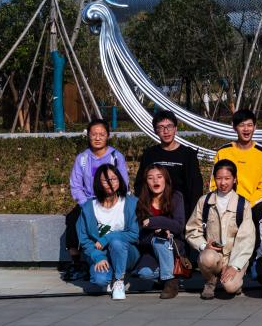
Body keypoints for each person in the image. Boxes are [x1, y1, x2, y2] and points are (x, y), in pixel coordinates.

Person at [64, 118, 130, 281]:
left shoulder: (116, 157)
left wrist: (111, 201)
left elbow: (123, 183)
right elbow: (76, 185)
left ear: (108, 135)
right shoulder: (82, 158)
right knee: (72, 219)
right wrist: (87, 205)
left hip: (111, 202)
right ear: (88, 136)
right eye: (94, 134)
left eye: (102, 134)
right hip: (88, 202)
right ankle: (77, 262)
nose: (98, 138)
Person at [187, 160, 258, 300]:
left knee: (230, 287)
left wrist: (234, 265)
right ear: (214, 179)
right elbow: (192, 229)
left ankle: (234, 279)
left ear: (234, 179)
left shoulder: (243, 204)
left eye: (227, 178)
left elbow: (246, 239)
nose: (223, 183)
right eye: (219, 178)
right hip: (214, 256)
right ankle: (210, 281)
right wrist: (203, 245)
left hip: (235, 256)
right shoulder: (205, 201)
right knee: (206, 257)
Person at [75, 163, 139, 300]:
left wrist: (107, 238)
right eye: (105, 180)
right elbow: (84, 239)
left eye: (114, 179)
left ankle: (119, 280)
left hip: (127, 252)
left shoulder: (131, 203)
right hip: (102, 253)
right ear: (98, 183)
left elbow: (134, 234)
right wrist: (98, 257)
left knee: (116, 242)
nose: (110, 183)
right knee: (100, 280)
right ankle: (110, 276)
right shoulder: (88, 207)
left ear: (119, 180)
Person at [134, 111, 204, 216]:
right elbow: (140, 184)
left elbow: (195, 188)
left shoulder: (188, 155)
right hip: (154, 212)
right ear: (155, 131)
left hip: (181, 212)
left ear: (175, 128)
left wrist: (192, 216)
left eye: (169, 126)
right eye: (161, 127)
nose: (166, 131)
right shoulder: (149, 154)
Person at [134, 165, 186, 299]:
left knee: (161, 241)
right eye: (150, 178)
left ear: (165, 179)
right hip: (150, 249)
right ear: (146, 182)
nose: (155, 181)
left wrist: (154, 222)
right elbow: (140, 234)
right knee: (144, 274)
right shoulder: (141, 201)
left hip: (172, 245)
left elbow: (178, 226)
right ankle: (167, 274)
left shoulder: (176, 196)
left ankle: (170, 281)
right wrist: (156, 233)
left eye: (159, 177)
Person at [210, 109, 262, 205]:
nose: (246, 129)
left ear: (255, 127)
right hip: (225, 203)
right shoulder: (223, 152)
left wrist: (246, 204)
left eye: (249, 125)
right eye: (241, 125)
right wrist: (228, 202)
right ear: (235, 127)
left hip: (253, 205)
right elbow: (214, 183)